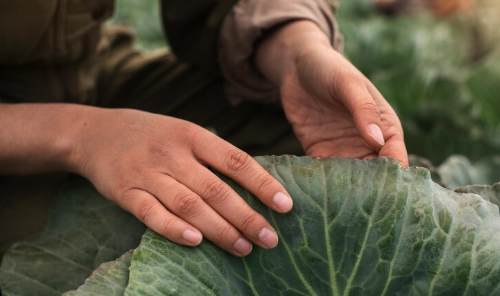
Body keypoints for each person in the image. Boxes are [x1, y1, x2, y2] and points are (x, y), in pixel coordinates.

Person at [0, 0, 408, 258]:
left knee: (280, 121)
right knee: (61, 251)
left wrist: (297, 51)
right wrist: (80, 136)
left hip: (87, 74)